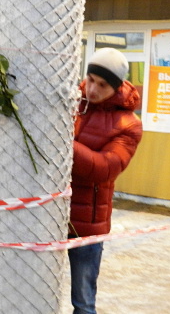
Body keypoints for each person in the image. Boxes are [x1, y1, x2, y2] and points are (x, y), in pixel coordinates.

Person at [69, 47, 143, 314]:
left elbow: (104, 169)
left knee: (83, 301)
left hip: (87, 224)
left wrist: (63, 144)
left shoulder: (128, 124)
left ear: (116, 86)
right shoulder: (70, 101)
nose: (92, 89)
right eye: (90, 79)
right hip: (50, 214)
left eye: (102, 85)